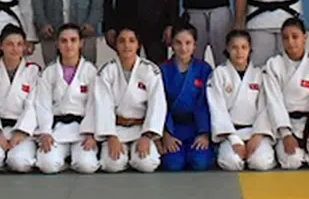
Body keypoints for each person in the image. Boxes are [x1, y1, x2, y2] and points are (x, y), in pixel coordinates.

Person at [261, 18, 309, 170]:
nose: (290, 42)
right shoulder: (274, 65)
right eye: (285, 38)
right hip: (286, 124)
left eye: (295, 36)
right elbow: (274, 101)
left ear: (305, 37)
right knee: (292, 162)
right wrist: (285, 134)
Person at [94, 27, 166, 173]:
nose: (126, 45)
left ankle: (132, 156)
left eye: (131, 41)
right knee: (112, 165)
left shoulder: (150, 70)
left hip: (141, 128)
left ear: (138, 45)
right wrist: (111, 136)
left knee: (146, 164)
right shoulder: (107, 71)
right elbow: (103, 105)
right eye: (122, 41)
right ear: (116, 45)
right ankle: (125, 157)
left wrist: (147, 135)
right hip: (116, 128)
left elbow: (157, 104)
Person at [33, 24, 102, 174]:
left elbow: (94, 105)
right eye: (63, 41)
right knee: (47, 165)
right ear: (57, 44)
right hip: (56, 129)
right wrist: (45, 132)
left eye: (73, 40)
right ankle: (64, 161)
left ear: (81, 43)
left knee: (86, 166)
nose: (69, 45)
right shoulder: (49, 72)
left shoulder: (91, 71)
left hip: (83, 129)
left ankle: (73, 159)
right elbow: (43, 104)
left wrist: (91, 133)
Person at [207, 30, 276, 171]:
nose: (239, 52)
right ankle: (223, 149)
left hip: (255, 131)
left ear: (250, 49)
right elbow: (217, 109)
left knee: (260, 163)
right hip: (230, 132)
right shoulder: (219, 73)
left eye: (244, 47)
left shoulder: (259, 74)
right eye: (234, 47)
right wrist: (234, 140)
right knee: (232, 163)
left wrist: (257, 135)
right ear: (227, 49)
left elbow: (265, 108)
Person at [0, 24, 42, 174]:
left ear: (24, 46)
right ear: (1, 46)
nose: (15, 49)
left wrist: (21, 132)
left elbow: (33, 104)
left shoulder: (34, 71)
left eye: (19, 44)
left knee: (20, 163)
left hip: (22, 129)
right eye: (10, 44)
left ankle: (11, 156)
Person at [159, 26, 214, 172]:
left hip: (196, 126)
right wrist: (166, 134)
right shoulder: (162, 70)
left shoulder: (204, 69)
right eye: (178, 43)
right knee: (173, 164)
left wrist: (204, 133)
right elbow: (160, 104)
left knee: (200, 162)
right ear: (171, 44)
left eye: (188, 43)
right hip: (173, 127)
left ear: (195, 45)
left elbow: (206, 103)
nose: (183, 48)